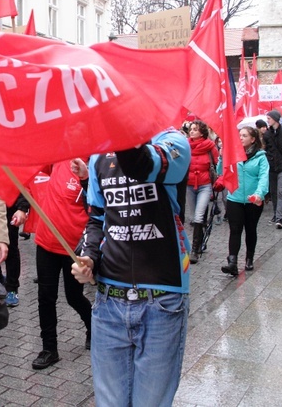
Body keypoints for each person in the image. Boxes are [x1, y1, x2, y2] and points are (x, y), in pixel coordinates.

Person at [72, 129, 191, 406]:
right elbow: (97, 217)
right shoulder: (99, 154)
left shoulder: (173, 141)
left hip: (162, 302)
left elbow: (143, 164)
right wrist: (89, 257)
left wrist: (118, 125)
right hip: (108, 301)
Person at [31, 158, 92, 371]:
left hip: (73, 248)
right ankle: (49, 349)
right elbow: (33, 159)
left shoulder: (95, 166)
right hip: (46, 241)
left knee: (74, 296)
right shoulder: (59, 158)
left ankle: (92, 326)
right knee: (45, 297)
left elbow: (97, 210)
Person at [215, 127, 270, 275]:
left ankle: (249, 258)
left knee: (250, 229)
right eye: (239, 135)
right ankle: (232, 262)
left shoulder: (261, 157)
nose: (240, 138)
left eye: (244, 136)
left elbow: (263, 177)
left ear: (253, 139)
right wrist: (221, 158)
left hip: (253, 200)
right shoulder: (233, 154)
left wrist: (259, 194)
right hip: (235, 198)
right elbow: (221, 172)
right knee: (235, 229)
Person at [186, 121, 219, 263]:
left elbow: (218, 162)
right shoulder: (185, 146)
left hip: (205, 185)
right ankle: (199, 241)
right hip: (189, 185)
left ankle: (194, 250)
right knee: (194, 217)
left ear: (202, 132)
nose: (191, 131)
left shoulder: (210, 146)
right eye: (191, 129)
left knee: (199, 216)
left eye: (195, 129)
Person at [4, 194, 29, 307]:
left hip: (9, 207)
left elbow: (22, 183)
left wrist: (22, 208)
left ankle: (12, 288)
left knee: (10, 247)